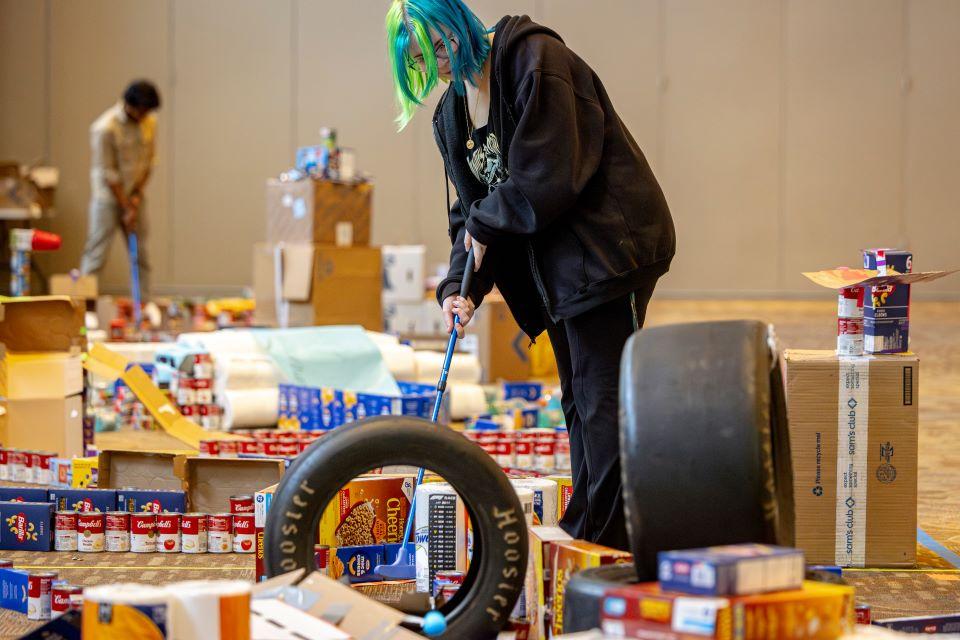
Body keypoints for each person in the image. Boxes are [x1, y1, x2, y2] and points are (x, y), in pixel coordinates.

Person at [386, 1, 676, 550]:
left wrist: (483, 230)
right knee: (578, 396)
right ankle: (588, 525)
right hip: (558, 264)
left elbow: (549, 177)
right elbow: (469, 215)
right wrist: (459, 285)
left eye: (441, 47)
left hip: (609, 247)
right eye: (423, 61)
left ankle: (603, 541)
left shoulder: (535, 61)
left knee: (601, 396)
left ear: (458, 23)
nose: (440, 65)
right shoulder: (450, 115)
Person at [81, 79, 160, 296]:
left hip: (135, 197)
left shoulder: (150, 122)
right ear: (130, 105)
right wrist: (126, 207)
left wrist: (135, 200)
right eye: (142, 110)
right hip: (107, 199)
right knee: (96, 254)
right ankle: (84, 307)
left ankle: (142, 304)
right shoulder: (105, 128)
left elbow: (149, 162)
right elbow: (109, 173)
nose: (145, 115)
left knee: (141, 255)